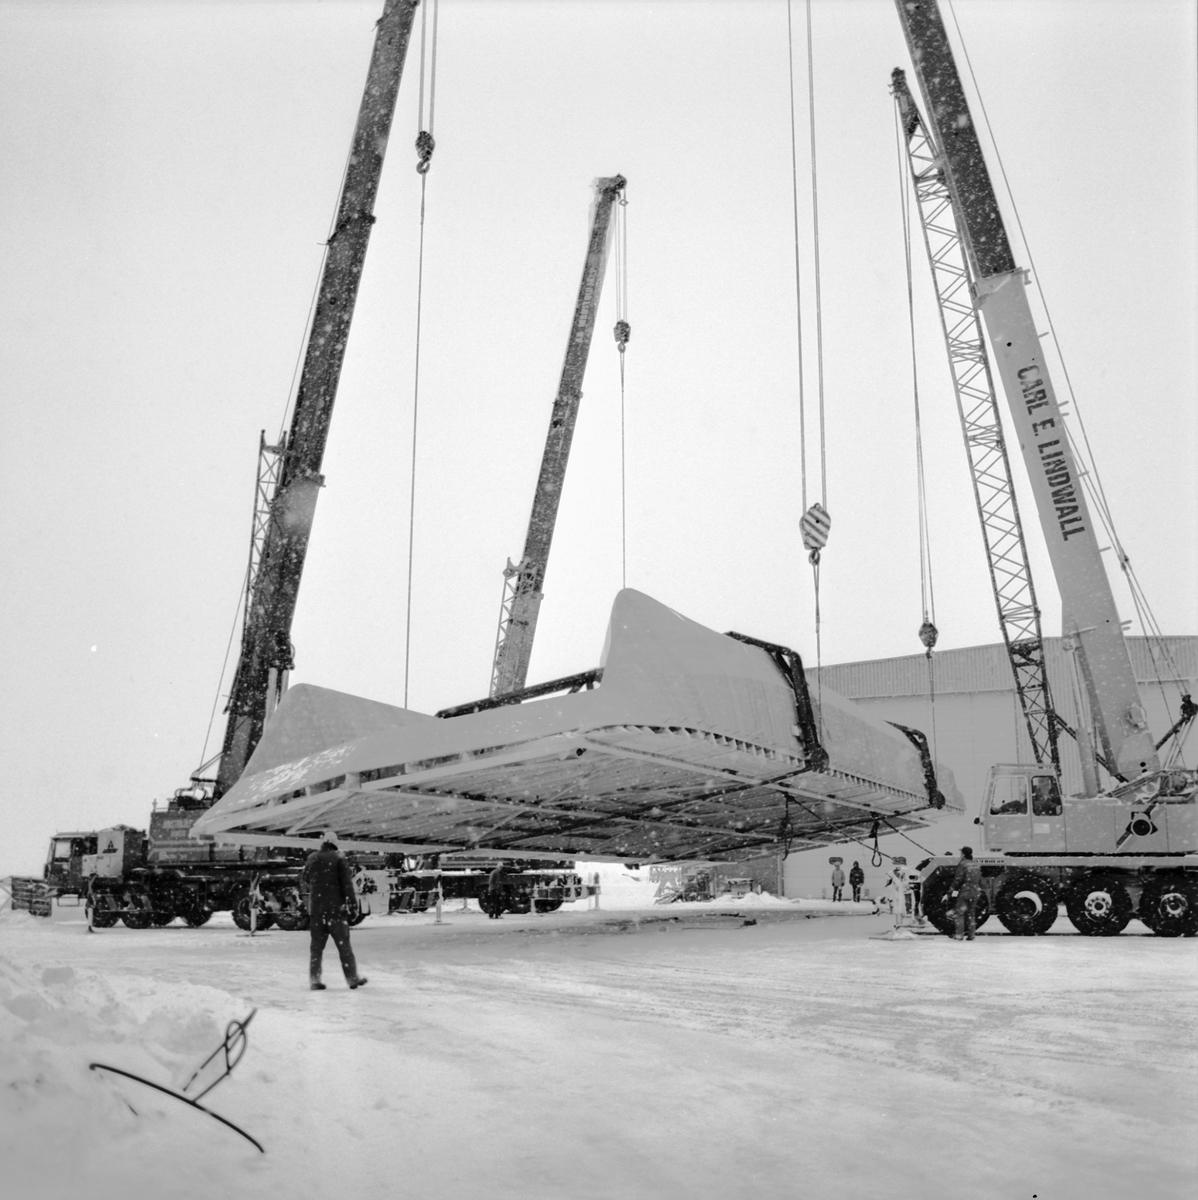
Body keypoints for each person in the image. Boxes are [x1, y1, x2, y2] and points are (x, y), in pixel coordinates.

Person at [300, 831, 367, 990]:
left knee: (316, 948)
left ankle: (314, 979)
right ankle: (352, 978)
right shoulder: (339, 858)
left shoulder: (312, 858)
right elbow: (347, 885)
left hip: (317, 911)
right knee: (344, 947)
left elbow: (305, 878)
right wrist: (353, 906)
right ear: (335, 843)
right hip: (336, 910)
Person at [950, 845, 982, 941]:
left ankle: (959, 935)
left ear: (963, 854)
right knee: (971, 914)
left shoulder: (963, 864)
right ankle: (971, 935)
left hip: (965, 890)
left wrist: (951, 890)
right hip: (975, 890)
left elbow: (958, 879)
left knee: (959, 913)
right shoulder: (976, 864)